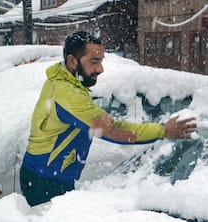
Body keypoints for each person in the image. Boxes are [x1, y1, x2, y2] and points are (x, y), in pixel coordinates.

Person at [20, 30, 197, 206]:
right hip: (46, 182)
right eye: (94, 61)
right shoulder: (68, 94)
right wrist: (163, 130)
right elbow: (112, 130)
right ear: (72, 61)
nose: (100, 69)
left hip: (43, 175)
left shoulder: (62, 81)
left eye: (101, 61)